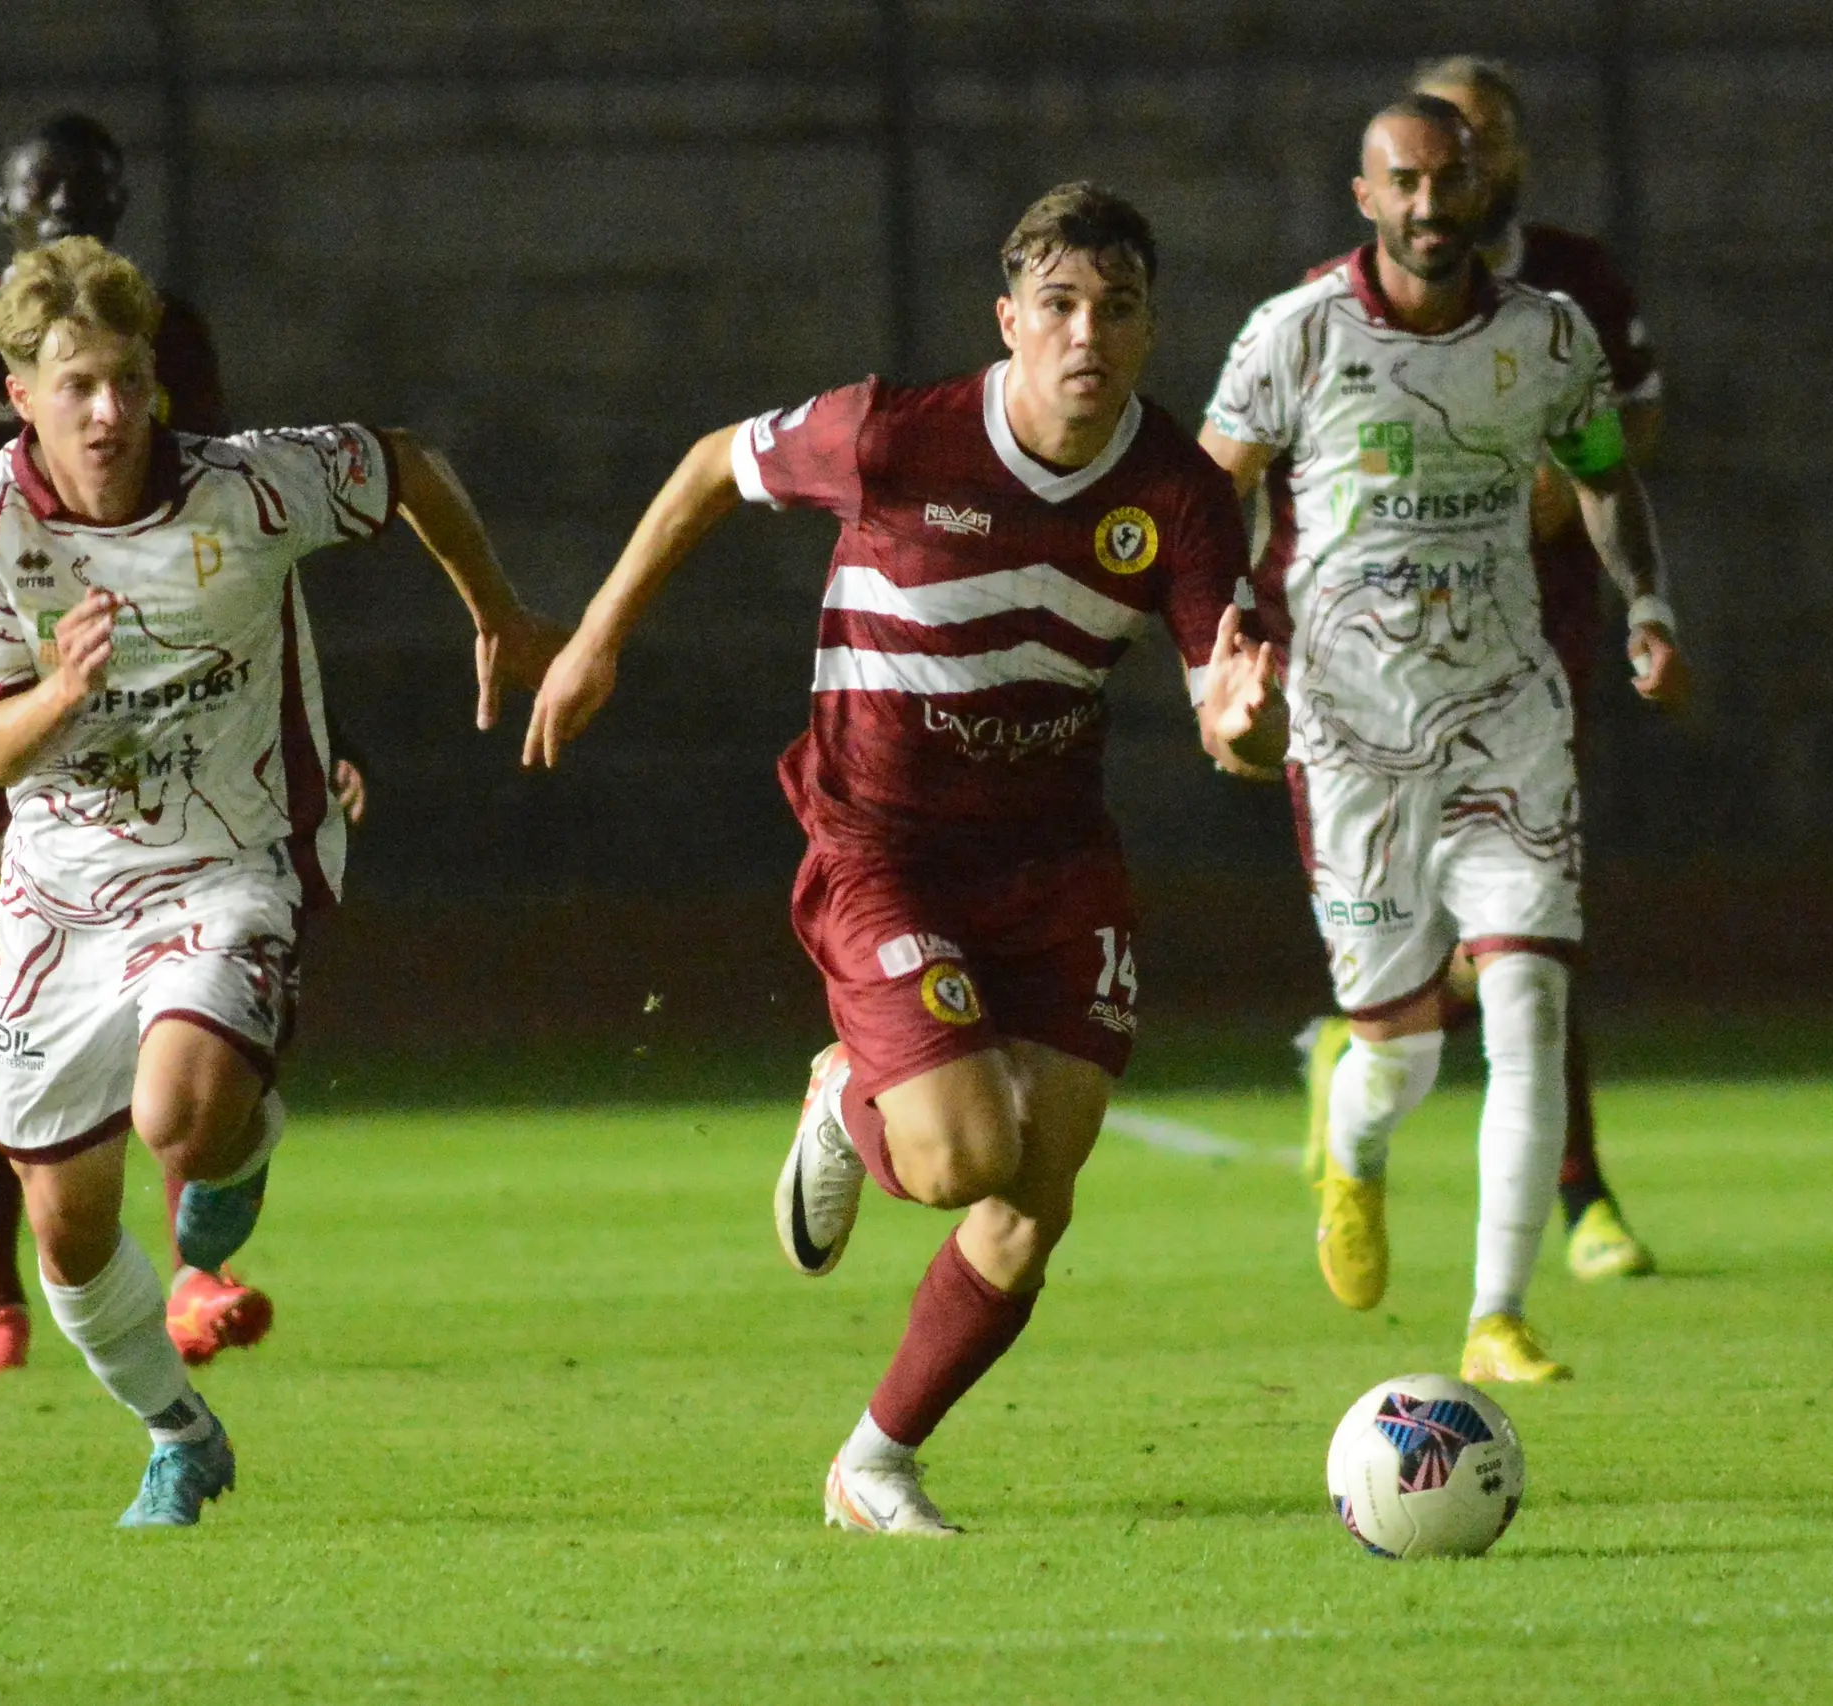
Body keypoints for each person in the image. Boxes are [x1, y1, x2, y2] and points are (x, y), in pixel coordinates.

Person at [525, 184, 1252, 1534]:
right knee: (970, 1153)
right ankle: (851, 1088)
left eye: (1119, 308)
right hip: (884, 841)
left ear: (1152, 329)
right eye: (1060, 306)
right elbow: (704, 468)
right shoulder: (895, 433)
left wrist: (1249, 728)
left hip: (1052, 848)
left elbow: (1231, 701)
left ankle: (874, 1463)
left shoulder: (1181, 495)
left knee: (1046, 1181)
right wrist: (596, 636)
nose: (1087, 333)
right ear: (1009, 320)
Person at [0, 235, 557, 1523]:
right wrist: (60, 685)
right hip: (64, 889)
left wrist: (493, 609)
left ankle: (240, 1133)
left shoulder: (250, 486)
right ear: (24, 398)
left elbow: (403, 463)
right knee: (65, 1222)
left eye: (125, 380)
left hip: (232, 854)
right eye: (76, 387)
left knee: (183, 1110)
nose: (107, 412)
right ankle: (179, 1431)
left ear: (153, 381)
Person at [1196, 97, 1690, 1383]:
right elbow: (1205, 496)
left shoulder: (1545, 335)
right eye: (1402, 182)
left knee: (1528, 992)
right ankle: (1351, 1147)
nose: (1428, 204)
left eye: (1447, 179)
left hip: (1507, 722)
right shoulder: (1293, 336)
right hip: (1350, 736)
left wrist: (1645, 604)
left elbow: (1599, 470)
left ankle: (1495, 1312)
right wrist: (1218, 662)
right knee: (1401, 1052)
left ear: (1479, 190)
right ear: (1364, 196)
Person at [0, 113, 360, 1375]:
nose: (65, 215)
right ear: (1, 204)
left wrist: (307, 734)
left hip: (146, 692)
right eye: (42, 195)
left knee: (184, 1040)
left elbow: (227, 544)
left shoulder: (164, 330)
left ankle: (196, 1259)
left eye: (89, 196)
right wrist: (29, 609)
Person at [1395, 53, 1670, 1279]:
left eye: (1488, 133)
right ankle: (1377, 1035)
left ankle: (1583, 1194)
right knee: (1449, 918)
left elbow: (1635, 424)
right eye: (1445, 132)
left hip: (1536, 642)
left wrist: (1576, 508)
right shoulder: (1354, 302)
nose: (1467, 154)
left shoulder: (1574, 284)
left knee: (1536, 911)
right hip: (1398, 649)